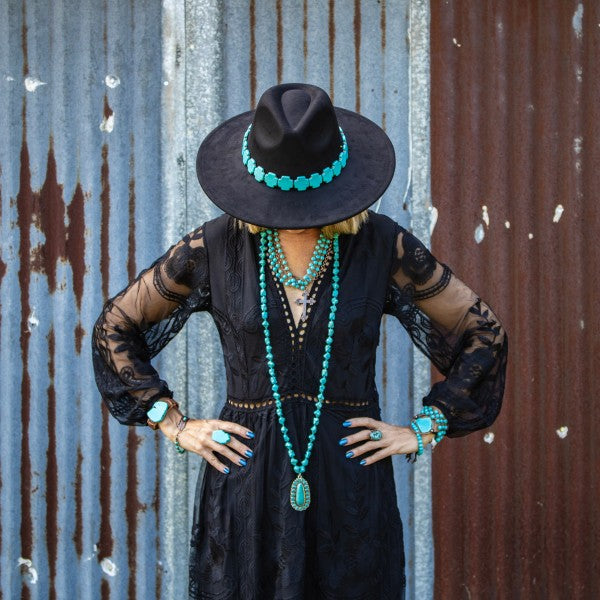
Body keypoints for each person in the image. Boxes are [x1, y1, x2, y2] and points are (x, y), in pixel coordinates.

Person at [91, 82, 508, 599]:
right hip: (247, 480)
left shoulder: (382, 244)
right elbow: (115, 327)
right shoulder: (215, 246)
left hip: (350, 483)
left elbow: (482, 332)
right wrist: (173, 423)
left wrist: (425, 428)